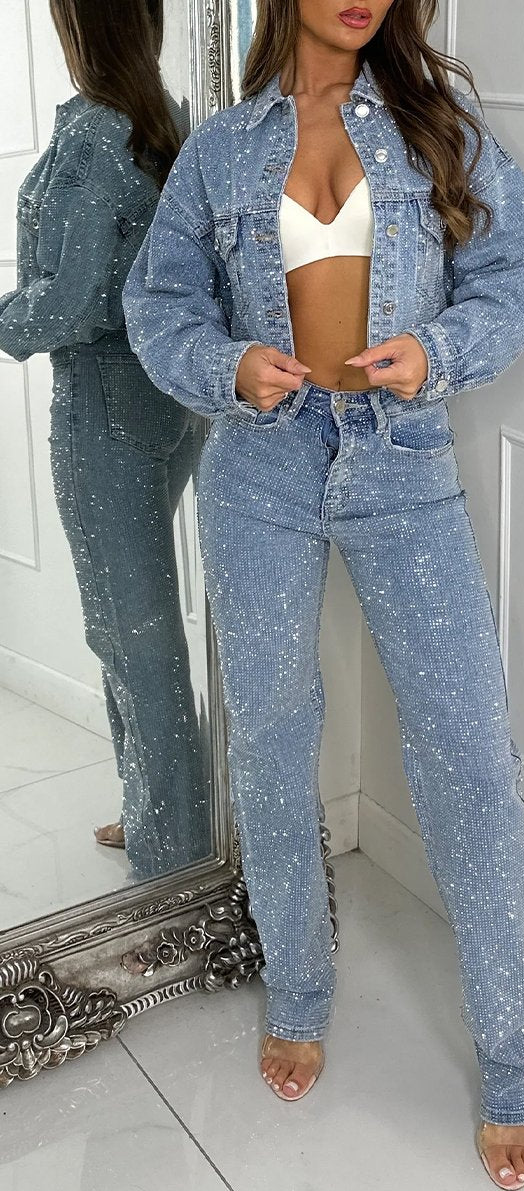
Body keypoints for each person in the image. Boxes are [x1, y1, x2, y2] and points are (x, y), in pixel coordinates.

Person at [122, 0, 524, 1187]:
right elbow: (159, 301)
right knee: (271, 740)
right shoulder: (222, 149)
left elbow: (519, 261)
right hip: (259, 466)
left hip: (400, 460)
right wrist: (226, 365)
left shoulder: (432, 122)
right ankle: (299, 994)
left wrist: (440, 352)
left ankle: (511, 1063)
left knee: (467, 752)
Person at [0, 0, 212, 880]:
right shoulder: (171, 122)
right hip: (171, 407)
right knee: (139, 628)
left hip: (102, 411)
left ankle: (172, 855)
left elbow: (70, 303)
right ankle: (157, 807)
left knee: (132, 636)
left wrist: (5, 319)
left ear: (78, 28)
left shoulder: (95, 135)